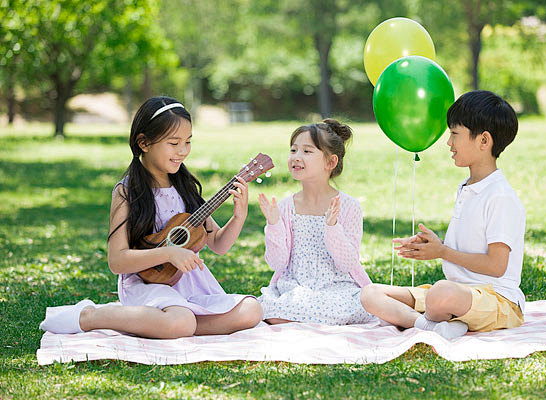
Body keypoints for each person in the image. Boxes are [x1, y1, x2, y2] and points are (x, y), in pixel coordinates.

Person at [40, 96, 262, 338]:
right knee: (181, 320)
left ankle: (170, 325)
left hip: (189, 283)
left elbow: (218, 244)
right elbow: (117, 261)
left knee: (252, 310)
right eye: (174, 143)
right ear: (144, 143)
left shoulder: (185, 188)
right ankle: (91, 316)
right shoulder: (127, 192)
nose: (183, 151)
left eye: (188, 142)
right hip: (148, 285)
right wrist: (168, 253)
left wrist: (238, 217)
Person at [361, 90, 526, 340]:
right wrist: (433, 246)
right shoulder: (467, 187)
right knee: (370, 293)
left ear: (484, 141)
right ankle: (428, 325)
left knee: (441, 293)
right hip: (457, 293)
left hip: (497, 301)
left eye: (455, 134)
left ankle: (435, 318)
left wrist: (443, 252)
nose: (449, 143)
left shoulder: (499, 196)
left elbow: (497, 265)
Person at [257, 119, 374, 325]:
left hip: (337, 289)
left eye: (307, 151)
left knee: (355, 306)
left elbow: (347, 263)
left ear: (330, 162)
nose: (296, 157)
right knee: (272, 309)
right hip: (295, 288)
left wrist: (332, 227)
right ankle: (313, 320)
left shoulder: (349, 207)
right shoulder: (285, 207)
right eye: (293, 150)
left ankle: (306, 320)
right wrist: (274, 225)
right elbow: (277, 263)